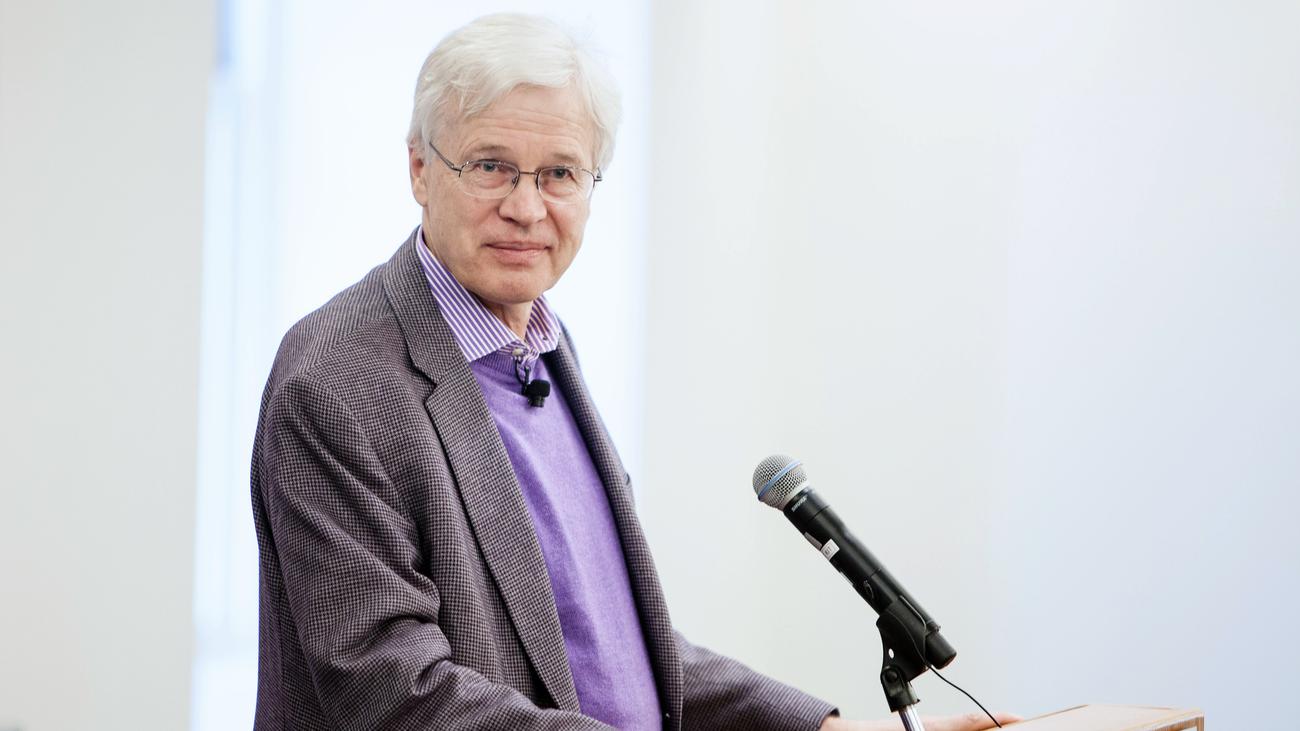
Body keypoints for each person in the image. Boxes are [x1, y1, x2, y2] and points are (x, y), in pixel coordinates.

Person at [251, 13, 1018, 731]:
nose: (527, 208)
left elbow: (618, 649)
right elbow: (394, 691)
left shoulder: (545, 347)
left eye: (559, 173)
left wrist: (825, 729)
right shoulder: (335, 382)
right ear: (420, 168)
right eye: (491, 166)